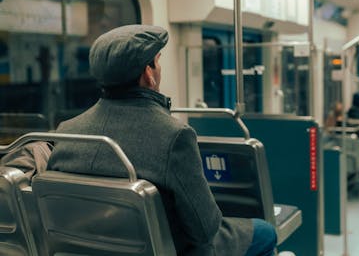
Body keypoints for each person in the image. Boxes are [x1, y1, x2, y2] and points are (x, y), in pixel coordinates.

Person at [46, 25, 277, 256]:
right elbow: (205, 229)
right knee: (266, 232)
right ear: (148, 73)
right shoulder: (174, 135)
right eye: (158, 61)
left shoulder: (67, 131)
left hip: (92, 248)